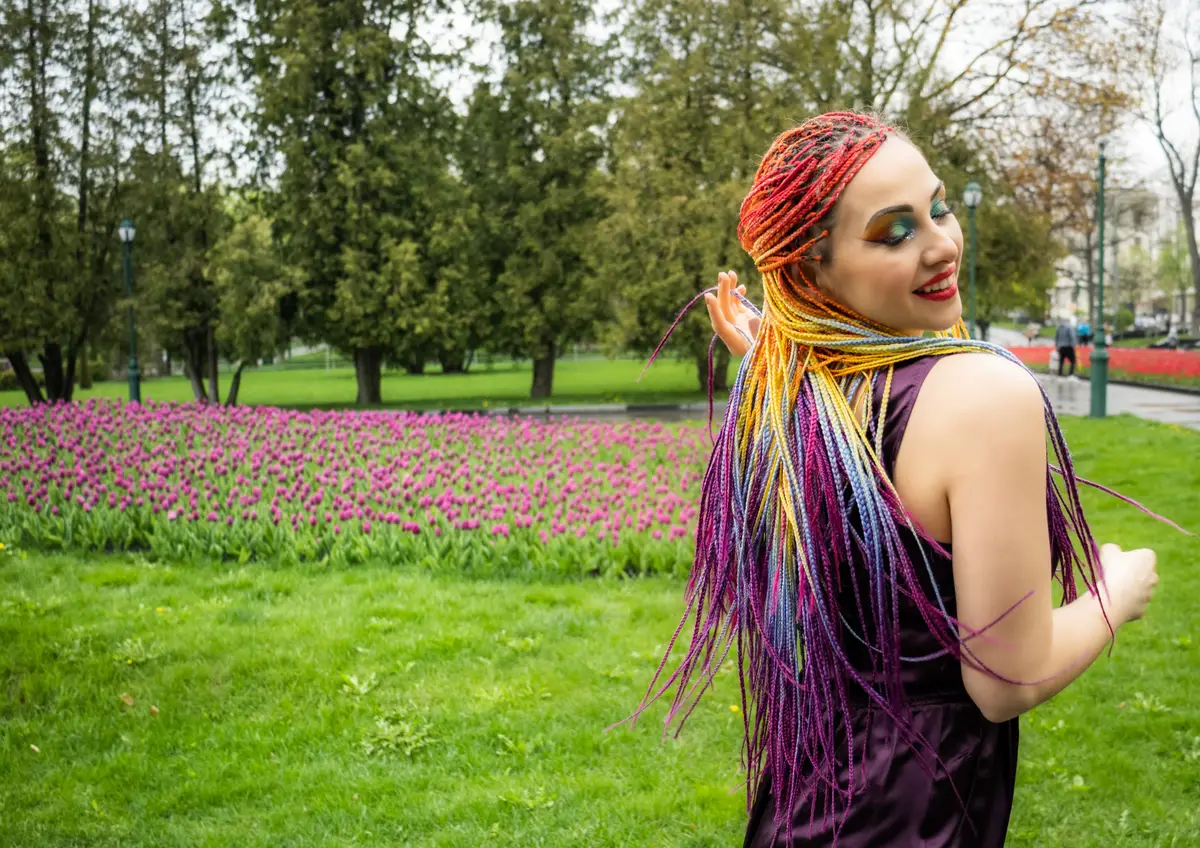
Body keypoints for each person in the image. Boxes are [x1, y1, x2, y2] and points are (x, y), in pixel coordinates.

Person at [624, 112, 1165, 848]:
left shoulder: (791, 400)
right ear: (813, 270)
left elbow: (817, 380)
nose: (942, 243)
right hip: (917, 819)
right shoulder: (982, 396)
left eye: (938, 207)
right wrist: (1113, 594)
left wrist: (772, 344)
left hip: (801, 808)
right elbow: (1005, 681)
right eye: (895, 231)